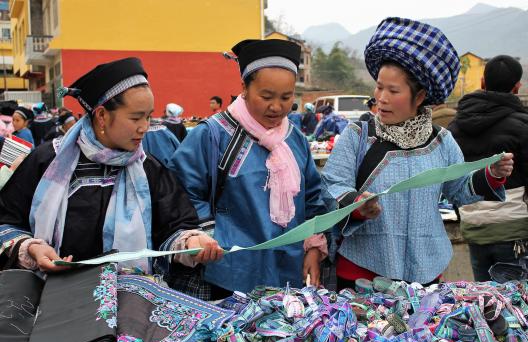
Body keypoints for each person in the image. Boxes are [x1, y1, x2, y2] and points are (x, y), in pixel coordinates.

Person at [321, 17, 514, 289]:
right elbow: (331, 186)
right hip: (361, 276)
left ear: (420, 96)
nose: (381, 98)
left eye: (393, 90)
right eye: (379, 87)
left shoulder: (441, 142)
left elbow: (458, 190)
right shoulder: (359, 135)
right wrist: (357, 205)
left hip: (425, 276)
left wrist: (490, 175)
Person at [0, 58, 223, 292]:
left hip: (127, 301)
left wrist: (191, 243)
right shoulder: (48, 163)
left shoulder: (149, 169)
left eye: (148, 116)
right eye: (136, 118)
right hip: (51, 299)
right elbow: (6, 221)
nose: (145, 127)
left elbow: (174, 226)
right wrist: (33, 248)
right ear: (102, 116)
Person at [174, 39, 328, 300]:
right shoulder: (213, 135)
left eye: (286, 98)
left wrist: (314, 248)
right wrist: (210, 237)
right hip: (230, 272)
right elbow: (183, 193)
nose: (276, 107)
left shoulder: (295, 139)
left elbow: (314, 198)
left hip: (290, 273)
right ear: (244, 88)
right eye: (266, 96)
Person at [449, 55, 528, 281]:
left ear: (482, 83)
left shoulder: (455, 127)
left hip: (473, 227)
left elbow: (454, 181)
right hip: (513, 231)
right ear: (517, 87)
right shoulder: (523, 125)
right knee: (515, 309)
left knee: (485, 305)